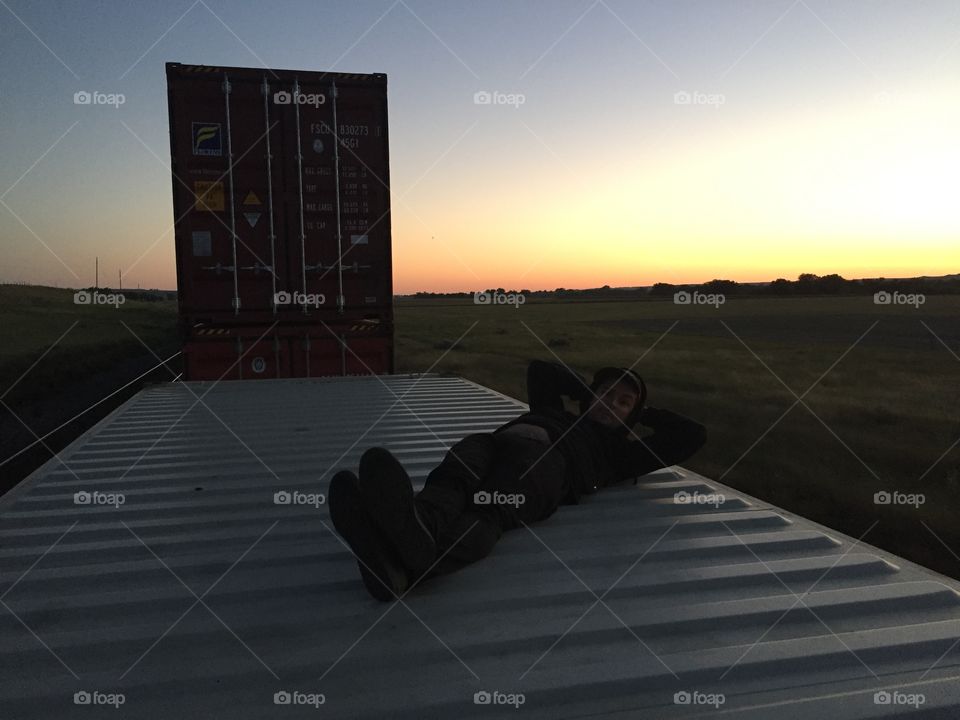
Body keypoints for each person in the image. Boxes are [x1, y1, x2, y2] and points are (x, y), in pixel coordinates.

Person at [328, 360, 707, 601]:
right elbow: (540, 370)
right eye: (605, 393)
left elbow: (691, 435)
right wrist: (590, 393)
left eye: (623, 402)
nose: (610, 403)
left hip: (547, 468)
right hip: (493, 443)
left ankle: (410, 561)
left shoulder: (620, 454)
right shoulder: (553, 411)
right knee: (453, 480)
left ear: (631, 414)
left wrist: (640, 414)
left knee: (489, 508)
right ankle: (413, 536)